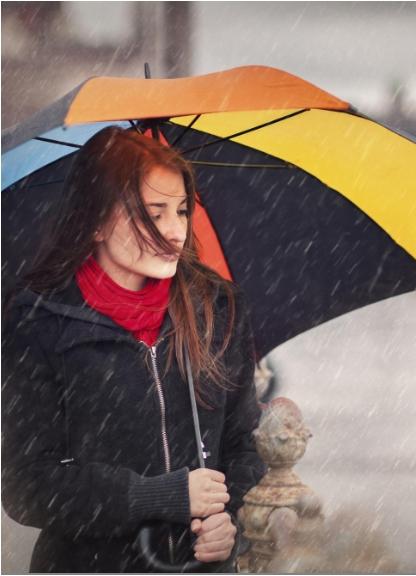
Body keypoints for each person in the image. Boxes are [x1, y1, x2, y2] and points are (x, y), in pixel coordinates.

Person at [2, 127, 266, 572]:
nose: (175, 231)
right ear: (98, 221)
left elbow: (244, 443)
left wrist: (230, 520)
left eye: (182, 211)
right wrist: (160, 496)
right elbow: (28, 486)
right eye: (153, 212)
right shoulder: (41, 324)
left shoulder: (217, 309)